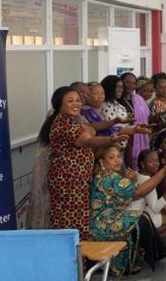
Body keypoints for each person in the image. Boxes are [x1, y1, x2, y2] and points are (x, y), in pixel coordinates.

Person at [40, 86, 129, 240]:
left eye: (78, 100)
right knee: (71, 222)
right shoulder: (64, 124)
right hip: (69, 183)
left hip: (77, 180)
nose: (76, 104)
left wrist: (119, 127)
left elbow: (92, 130)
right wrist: (110, 140)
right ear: (59, 104)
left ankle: (80, 258)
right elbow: (87, 140)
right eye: (70, 101)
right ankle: (74, 259)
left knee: (77, 219)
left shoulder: (72, 120)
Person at [89, 145, 166, 276]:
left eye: (118, 156)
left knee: (142, 218)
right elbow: (139, 192)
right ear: (101, 161)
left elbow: (130, 193)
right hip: (103, 226)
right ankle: (125, 264)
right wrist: (163, 172)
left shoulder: (108, 175)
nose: (117, 160)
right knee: (141, 220)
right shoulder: (109, 178)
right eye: (111, 157)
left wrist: (133, 180)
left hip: (105, 222)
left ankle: (136, 259)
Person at [128, 149, 166, 235]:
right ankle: (145, 239)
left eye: (156, 160)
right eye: (150, 161)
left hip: (138, 214)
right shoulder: (147, 180)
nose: (155, 163)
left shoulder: (138, 174)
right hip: (137, 218)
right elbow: (156, 208)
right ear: (142, 164)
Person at [122, 73, 150, 169]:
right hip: (123, 136)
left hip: (138, 135)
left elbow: (146, 117)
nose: (130, 85)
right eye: (127, 82)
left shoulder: (139, 99)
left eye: (133, 83)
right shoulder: (118, 100)